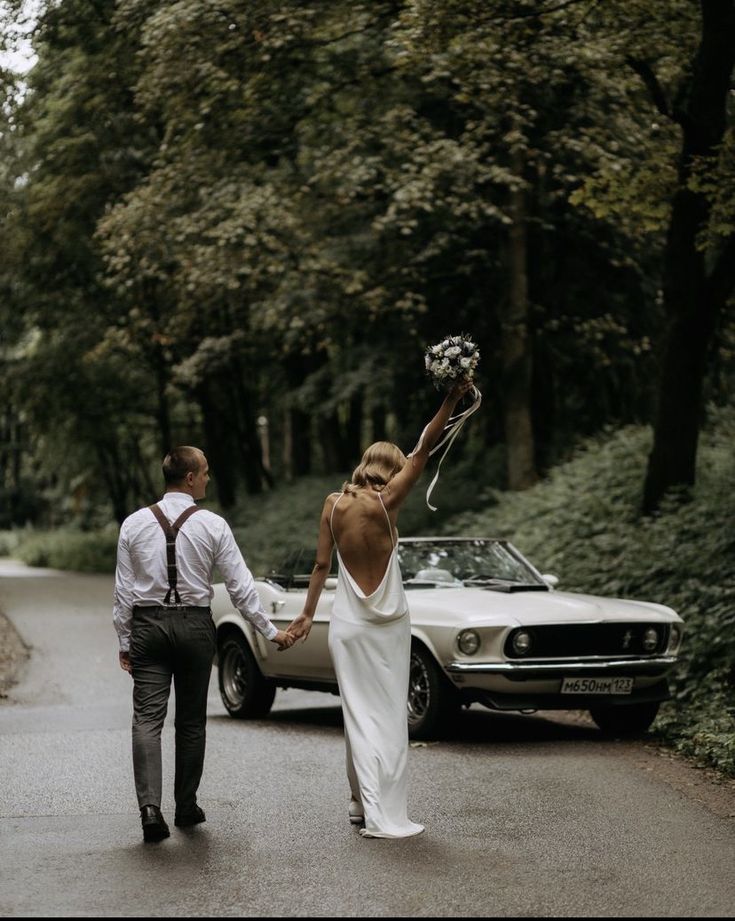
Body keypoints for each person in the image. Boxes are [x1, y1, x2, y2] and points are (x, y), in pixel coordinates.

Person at [286, 379, 474, 838]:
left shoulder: (333, 505)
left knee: (356, 715)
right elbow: (426, 446)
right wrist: (452, 398)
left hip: (346, 628)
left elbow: (320, 565)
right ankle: (379, 810)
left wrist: (307, 614)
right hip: (387, 626)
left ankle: (357, 802)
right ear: (391, 471)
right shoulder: (389, 502)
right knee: (386, 719)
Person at [113, 445, 293, 843]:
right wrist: (269, 631)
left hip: (148, 627)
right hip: (195, 627)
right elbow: (240, 585)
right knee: (191, 721)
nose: (209, 478)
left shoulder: (134, 524)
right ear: (190, 478)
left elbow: (124, 592)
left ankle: (149, 809)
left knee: (146, 720)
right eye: (206, 472)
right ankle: (186, 807)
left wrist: (125, 639)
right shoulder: (213, 524)